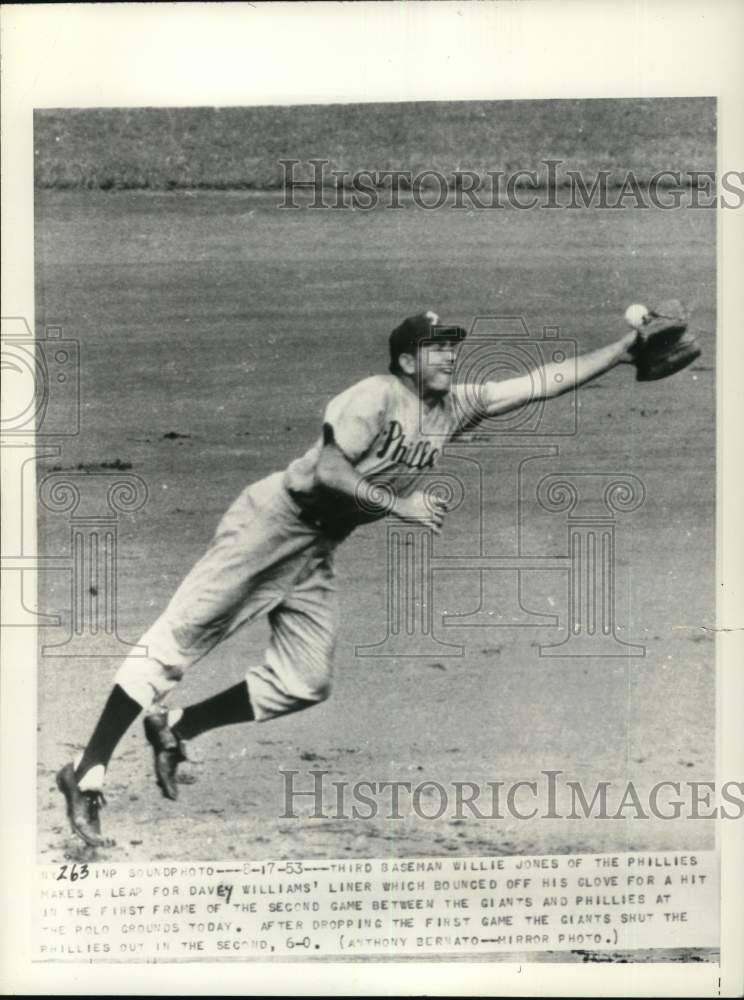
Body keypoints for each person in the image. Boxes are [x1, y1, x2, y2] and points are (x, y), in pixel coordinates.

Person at [56, 310, 640, 846]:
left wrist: (620, 350)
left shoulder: (454, 407)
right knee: (172, 646)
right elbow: (332, 470)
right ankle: (86, 772)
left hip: (316, 550)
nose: (450, 357)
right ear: (408, 360)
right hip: (272, 525)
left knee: (305, 680)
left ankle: (178, 727)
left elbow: (542, 381)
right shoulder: (374, 395)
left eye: (452, 348)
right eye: (437, 349)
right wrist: (398, 505)